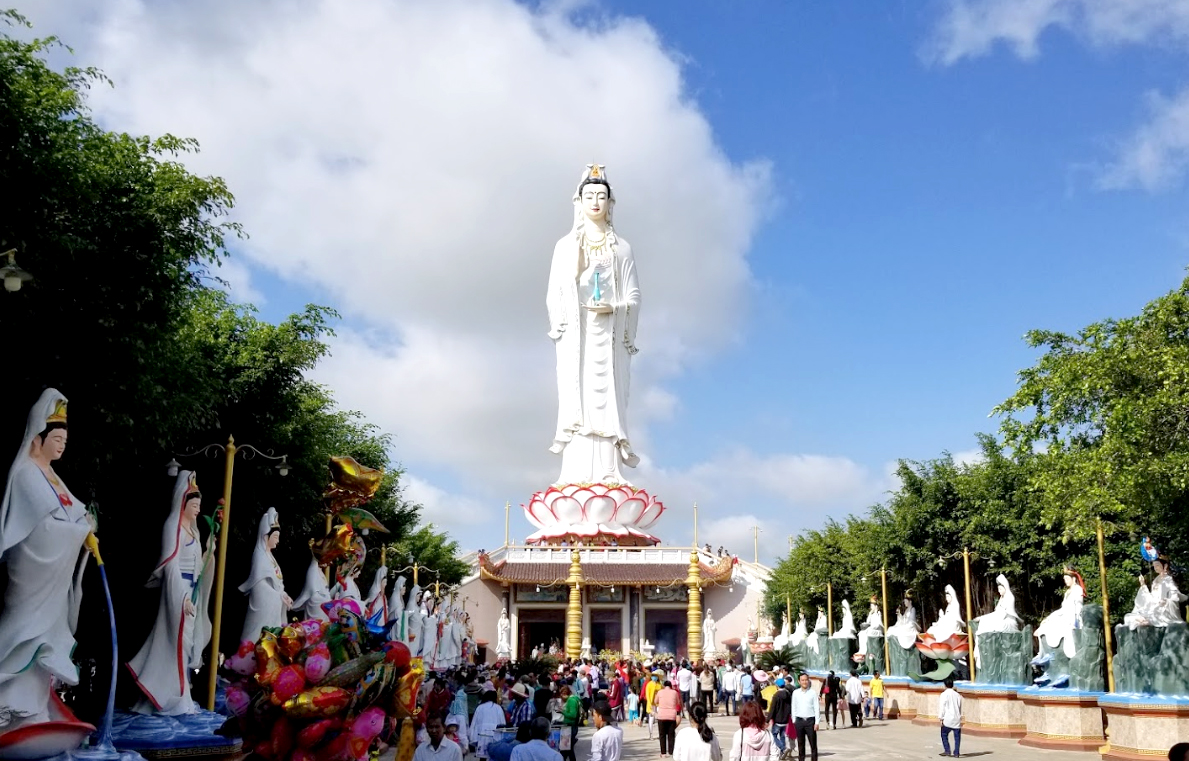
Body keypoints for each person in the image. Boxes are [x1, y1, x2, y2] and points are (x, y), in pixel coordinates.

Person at [0, 390, 96, 730]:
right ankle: (10, 712)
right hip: (33, 571)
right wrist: (79, 532)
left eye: (65, 440)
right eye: (56, 438)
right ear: (38, 438)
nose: (61, 446)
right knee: (25, 639)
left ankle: (35, 713)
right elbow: (43, 528)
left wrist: (87, 527)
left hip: (53, 581)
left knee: (44, 648)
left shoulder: (53, 475)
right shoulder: (27, 473)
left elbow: (74, 511)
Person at [547, 163, 642, 485]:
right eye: (589, 195)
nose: (596, 202)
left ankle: (609, 472)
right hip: (578, 337)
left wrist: (613, 308)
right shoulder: (565, 246)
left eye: (602, 196)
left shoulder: (622, 249)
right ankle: (574, 475)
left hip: (609, 337)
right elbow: (554, 294)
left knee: (609, 402)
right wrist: (573, 274)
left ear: (610, 203)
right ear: (579, 201)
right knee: (579, 401)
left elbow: (634, 296)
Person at [126, 470, 215, 714]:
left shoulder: (194, 531)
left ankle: (178, 695)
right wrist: (182, 597)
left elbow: (199, 564)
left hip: (191, 592)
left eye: (199, 505)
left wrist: (209, 552)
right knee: (176, 644)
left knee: (186, 647)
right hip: (178, 594)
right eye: (194, 504)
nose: (197, 509)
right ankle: (170, 698)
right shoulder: (172, 527)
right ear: (182, 502)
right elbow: (171, 566)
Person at [239, 507, 290, 643]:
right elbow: (259, 585)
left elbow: (278, 583)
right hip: (263, 604)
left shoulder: (271, 557)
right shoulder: (260, 556)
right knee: (259, 634)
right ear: (265, 536)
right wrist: (278, 596)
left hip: (274, 603)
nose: (277, 541)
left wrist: (284, 595)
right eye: (275, 537)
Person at [470, 690, 506, 761]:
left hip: (482, 735)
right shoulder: (498, 708)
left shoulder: (480, 708)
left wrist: (473, 737)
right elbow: (502, 723)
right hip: (495, 735)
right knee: (493, 756)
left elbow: (474, 723)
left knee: (482, 757)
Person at [790, 674, 819, 761]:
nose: (804, 682)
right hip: (799, 721)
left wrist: (817, 722)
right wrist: (794, 720)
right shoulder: (795, 693)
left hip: (810, 721)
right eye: (802, 680)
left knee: (813, 744)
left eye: (806, 680)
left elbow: (816, 707)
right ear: (799, 681)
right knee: (800, 744)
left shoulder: (813, 693)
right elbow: (793, 706)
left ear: (808, 680)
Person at [655, 679, 683, 758]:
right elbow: (678, 702)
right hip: (671, 716)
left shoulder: (660, 692)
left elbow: (655, 701)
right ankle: (671, 752)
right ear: (671, 686)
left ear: (664, 686)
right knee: (671, 734)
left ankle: (663, 753)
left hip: (662, 715)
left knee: (662, 735)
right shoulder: (674, 693)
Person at [766, 678, 791, 759]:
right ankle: (782, 753)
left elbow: (772, 709)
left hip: (777, 720)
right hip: (785, 719)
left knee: (773, 736)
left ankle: (783, 749)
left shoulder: (776, 695)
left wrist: (767, 720)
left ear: (777, 685)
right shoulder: (788, 694)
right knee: (782, 736)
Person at [938, 677, 963, 758]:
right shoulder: (958, 695)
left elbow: (942, 707)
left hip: (948, 718)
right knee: (957, 737)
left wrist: (941, 718)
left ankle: (947, 750)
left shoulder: (944, 694)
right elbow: (959, 707)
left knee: (944, 734)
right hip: (956, 718)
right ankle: (956, 752)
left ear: (945, 685)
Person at [561, 684, 583, 761]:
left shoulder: (571, 701)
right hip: (571, 726)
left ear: (564, 694)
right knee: (568, 749)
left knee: (566, 749)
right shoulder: (575, 699)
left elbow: (573, 715)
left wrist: (562, 712)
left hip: (570, 725)